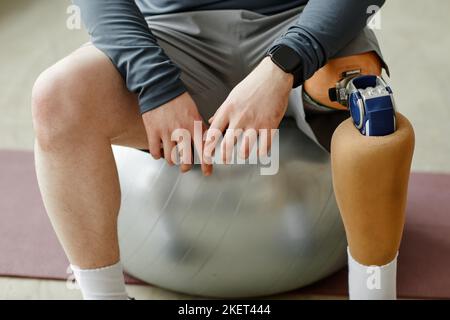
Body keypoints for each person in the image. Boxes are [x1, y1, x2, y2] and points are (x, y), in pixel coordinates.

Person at [31, 0, 414, 300]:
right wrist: (154, 82)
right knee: (56, 100)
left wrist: (284, 64)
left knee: (373, 120)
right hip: (167, 34)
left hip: (304, 21)